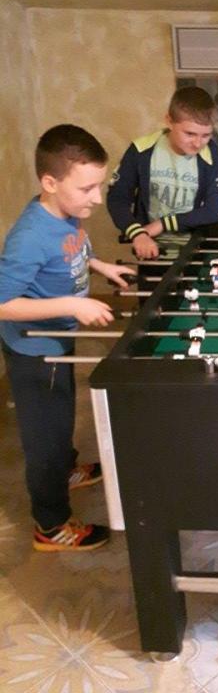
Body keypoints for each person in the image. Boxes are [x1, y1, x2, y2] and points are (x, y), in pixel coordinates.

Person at [0, 125, 135, 551]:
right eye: (87, 188)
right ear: (50, 182)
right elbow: (2, 304)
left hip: (57, 336)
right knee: (45, 437)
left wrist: (101, 267)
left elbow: (74, 247)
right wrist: (72, 306)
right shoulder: (29, 237)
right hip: (34, 350)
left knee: (62, 416)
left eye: (100, 186)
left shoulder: (66, 212)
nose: (97, 199)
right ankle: (51, 524)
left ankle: (67, 469)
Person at [107, 86, 218, 260]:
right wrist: (137, 233)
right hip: (150, 249)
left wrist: (162, 224)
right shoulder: (141, 149)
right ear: (169, 121)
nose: (198, 143)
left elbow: (212, 211)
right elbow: (117, 199)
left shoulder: (211, 153)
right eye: (190, 133)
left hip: (193, 250)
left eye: (206, 135)